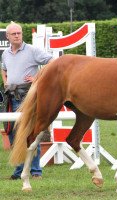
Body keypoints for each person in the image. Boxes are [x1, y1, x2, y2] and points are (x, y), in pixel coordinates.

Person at [1, 22, 53, 180]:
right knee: (12, 134)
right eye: (14, 34)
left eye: (19, 33)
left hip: (27, 96)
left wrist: (38, 77)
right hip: (11, 96)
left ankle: (36, 171)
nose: (17, 35)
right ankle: (18, 171)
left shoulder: (32, 50)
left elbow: (52, 62)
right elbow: (3, 68)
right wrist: (5, 81)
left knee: (31, 133)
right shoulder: (5, 54)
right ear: (7, 36)